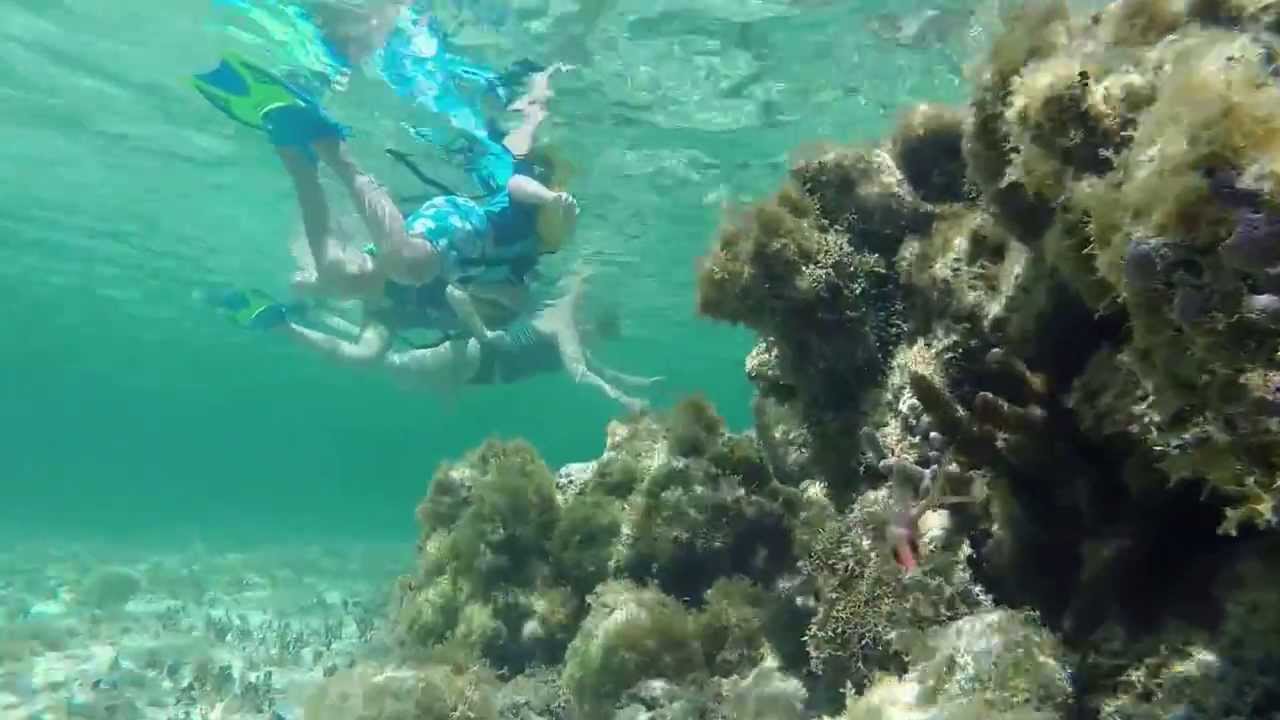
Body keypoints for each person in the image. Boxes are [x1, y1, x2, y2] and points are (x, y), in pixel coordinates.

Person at [191, 53, 576, 344]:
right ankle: (330, 142)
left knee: (337, 279)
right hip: (462, 222)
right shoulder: (529, 240)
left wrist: (486, 323)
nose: (501, 308)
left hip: (441, 257)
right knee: (408, 266)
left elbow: (489, 297)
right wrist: (550, 198)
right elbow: (515, 188)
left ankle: (296, 155)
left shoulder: (497, 288)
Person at [383, 272, 659, 412]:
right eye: (601, 335)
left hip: (487, 374)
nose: (598, 342)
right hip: (480, 355)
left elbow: (600, 370)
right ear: (589, 322)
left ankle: (361, 335)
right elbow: (580, 374)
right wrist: (625, 400)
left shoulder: (575, 341)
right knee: (393, 364)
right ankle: (355, 329)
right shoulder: (564, 325)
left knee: (406, 377)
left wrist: (641, 383)